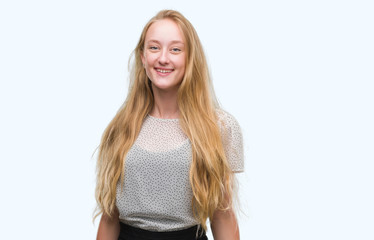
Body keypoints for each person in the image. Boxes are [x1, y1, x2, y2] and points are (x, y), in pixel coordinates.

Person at [95, 9, 244, 240]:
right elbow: (109, 217)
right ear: (143, 57)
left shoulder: (219, 127)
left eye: (175, 49)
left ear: (190, 57)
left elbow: (222, 215)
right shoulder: (121, 127)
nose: (163, 58)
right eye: (154, 47)